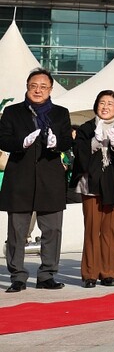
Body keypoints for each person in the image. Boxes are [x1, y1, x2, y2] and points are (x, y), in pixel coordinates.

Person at [0, 68, 73, 292]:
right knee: (17, 231)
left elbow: (65, 141)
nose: (38, 90)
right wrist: (21, 144)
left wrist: (55, 144)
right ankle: (18, 276)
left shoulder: (60, 113)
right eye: (34, 86)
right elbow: (3, 140)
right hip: (19, 178)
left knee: (52, 230)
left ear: (51, 89)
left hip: (50, 179)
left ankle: (47, 275)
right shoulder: (12, 112)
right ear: (27, 87)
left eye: (43, 86)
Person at [71, 90, 114, 288]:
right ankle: (89, 273)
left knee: (108, 229)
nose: (105, 107)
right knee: (92, 229)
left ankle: (108, 272)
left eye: (110, 104)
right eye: (102, 103)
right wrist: (95, 141)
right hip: (91, 185)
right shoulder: (86, 128)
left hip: (113, 185)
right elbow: (79, 156)